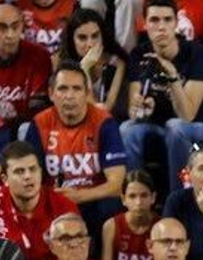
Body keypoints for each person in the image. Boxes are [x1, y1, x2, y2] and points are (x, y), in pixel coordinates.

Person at [26, 62, 128, 239]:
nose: (69, 96)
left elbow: (116, 185)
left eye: (76, 89)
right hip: (52, 201)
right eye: (63, 89)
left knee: (110, 204)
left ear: (86, 93)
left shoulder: (104, 122)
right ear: (51, 94)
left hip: (93, 201)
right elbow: (29, 175)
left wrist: (78, 196)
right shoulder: (40, 123)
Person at [121, 0, 203, 183]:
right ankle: (137, 194)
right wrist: (141, 108)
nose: (161, 26)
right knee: (126, 129)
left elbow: (188, 115)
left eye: (167, 19)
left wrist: (172, 76)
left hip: (196, 130)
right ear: (145, 24)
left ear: (176, 23)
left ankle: (177, 200)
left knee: (175, 126)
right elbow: (134, 111)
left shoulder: (197, 53)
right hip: (155, 126)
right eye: (154, 20)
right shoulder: (139, 54)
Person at [0, 141, 77, 260]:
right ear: (5, 180)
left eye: (33, 169)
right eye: (19, 172)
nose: (28, 176)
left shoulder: (64, 207)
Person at [57, 7, 127, 115]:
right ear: (72, 40)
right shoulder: (63, 63)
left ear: (102, 36)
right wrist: (84, 67)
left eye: (95, 36)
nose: (90, 44)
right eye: (82, 38)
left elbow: (103, 111)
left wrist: (84, 67)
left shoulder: (117, 64)